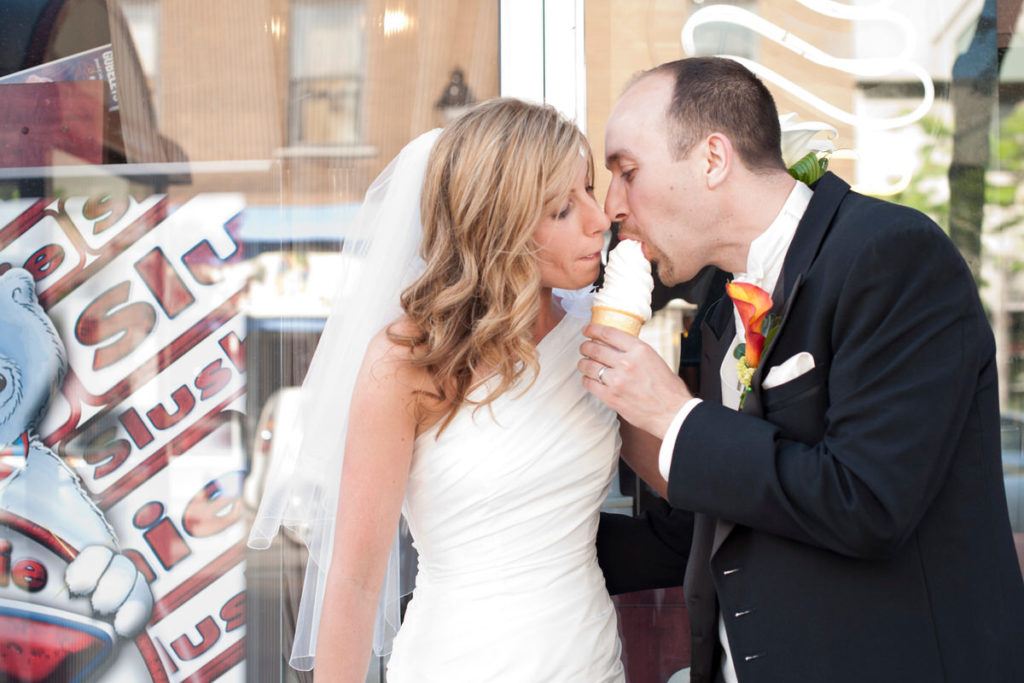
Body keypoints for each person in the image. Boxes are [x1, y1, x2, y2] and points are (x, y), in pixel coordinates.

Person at [579, 57, 1024, 683]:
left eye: (626, 171)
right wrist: (533, 533)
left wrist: (674, 415)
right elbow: (707, 528)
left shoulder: (892, 256)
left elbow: (867, 500)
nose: (610, 206)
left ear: (712, 159)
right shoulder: (716, 311)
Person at [250, 98, 627, 682]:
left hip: (587, 658)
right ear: (498, 226)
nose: (598, 218)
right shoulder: (407, 362)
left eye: (588, 190)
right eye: (560, 208)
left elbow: (677, 480)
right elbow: (353, 578)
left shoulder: (598, 341)